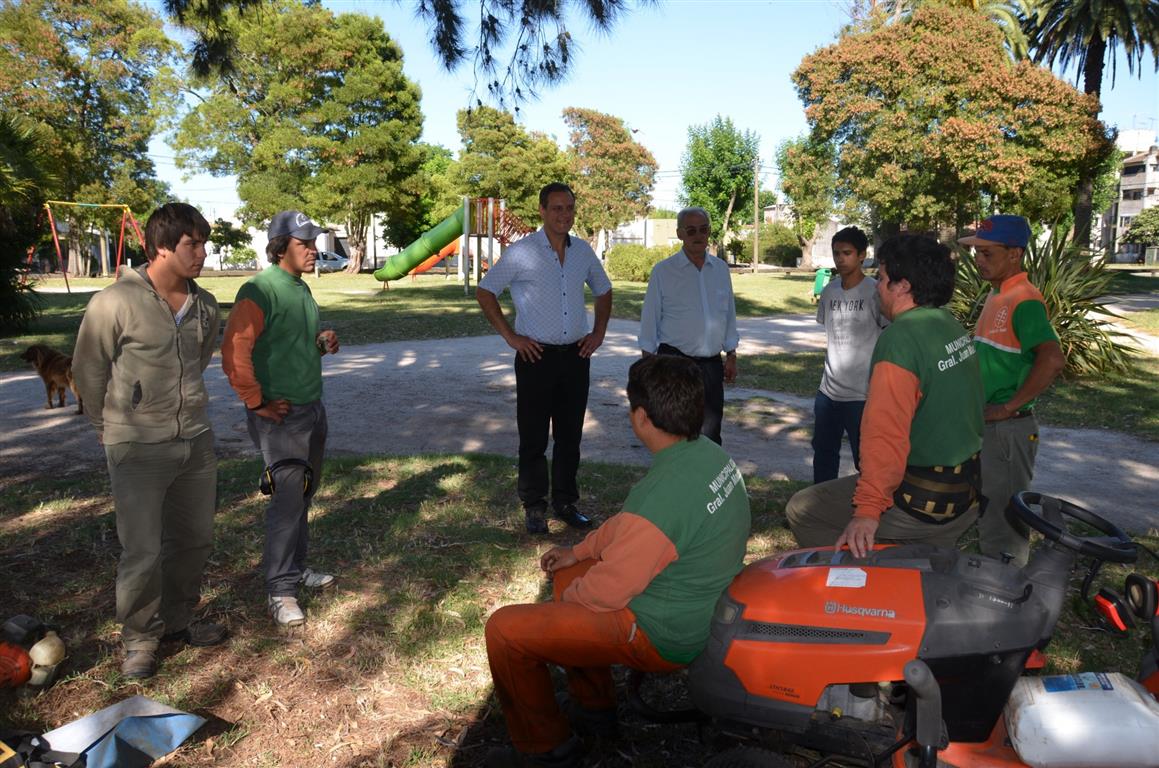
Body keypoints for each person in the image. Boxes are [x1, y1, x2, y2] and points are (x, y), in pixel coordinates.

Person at [483, 355, 750, 768]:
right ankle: (596, 709)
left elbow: (611, 588)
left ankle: (546, 749)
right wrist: (580, 551)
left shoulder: (663, 497)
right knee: (569, 571)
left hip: (665, 632)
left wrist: (566, 605)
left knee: (505, 631)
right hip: (700, 602)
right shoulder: (707, 455)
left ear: (641, 417)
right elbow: (631, 525)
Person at [72, 202, 225, 679]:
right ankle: (139, 639)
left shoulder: (205, 304)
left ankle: (178, 622)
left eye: (203, 243)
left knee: (194, 540)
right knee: (142, 550)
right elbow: (87, 370)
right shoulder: (114, 302)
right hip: (137, 445)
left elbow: (197, 362)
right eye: (191, 244)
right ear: (160, 248)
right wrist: (108, 427)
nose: (201, 253)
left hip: (194, 441)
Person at [786, 234, 984, 558]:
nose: (877, 287)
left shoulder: (900, 339)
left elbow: (884, 434)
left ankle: (859, 590)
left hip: (925, 500)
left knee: (802, 510)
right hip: (966, 488)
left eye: (882, 278)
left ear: (902, 286)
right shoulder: (949, 324)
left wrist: (867, 511)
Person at [221, 210, 339, 628]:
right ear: (280, 247)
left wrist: (321, 343)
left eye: (313, 243)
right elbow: (235, 352)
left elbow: (285, 344)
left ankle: (296, 568)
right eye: (304, 243)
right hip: (281, 417)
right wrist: (257, 404)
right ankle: (280, 590)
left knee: (303, 495)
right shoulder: (259, 289)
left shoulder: (300, 288)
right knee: (287, 503)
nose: (313, 250)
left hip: (312, 407)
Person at [476, 183, 613, 535]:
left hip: (576, 358)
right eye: (556, 208)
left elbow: (604, 289)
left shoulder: (583, 251)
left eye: (569, 208)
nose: (564, 215)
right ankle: (534, 506)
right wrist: (511, 337)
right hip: (535, 357)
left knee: (570, 436)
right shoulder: (522, 252)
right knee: (534, 436)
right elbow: (486, 290)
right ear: (542, 210)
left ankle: (566, 502)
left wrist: (597, 333)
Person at [959, 215, 1064, 565]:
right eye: (977, 252)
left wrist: (1009, 407)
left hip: (1007, 429)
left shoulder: (1024, 298)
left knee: (1005, 520)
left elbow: (1051, 359)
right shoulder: (997, 294)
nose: (979, 260)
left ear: (1015, 254)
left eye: (987, 253)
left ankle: (1008, 596)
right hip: (990, 425)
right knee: (989, 509)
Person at [638, 206, 739, 445]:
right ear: (680, 233)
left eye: (703, 229)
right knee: (674, 433)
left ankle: (706, 482)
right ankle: (677, 481)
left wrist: (732, 353)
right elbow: (650, 316)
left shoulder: (721, 270)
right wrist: (648, 362)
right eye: (691, 230)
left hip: (712, 366)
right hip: (674, 363)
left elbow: (729, 314)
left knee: (710, 433)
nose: (698, 235)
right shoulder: (663, 271)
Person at [812, 226, 888, 483]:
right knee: (823, 454)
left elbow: (889, 335)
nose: (840, 259)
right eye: (836, 253)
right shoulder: (829, 291)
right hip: (828, 392)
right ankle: (818, 507)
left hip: (862, 394)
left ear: (862, 255)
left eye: (847, 253)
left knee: (865, 460)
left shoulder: (876, 292)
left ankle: (867, 510)